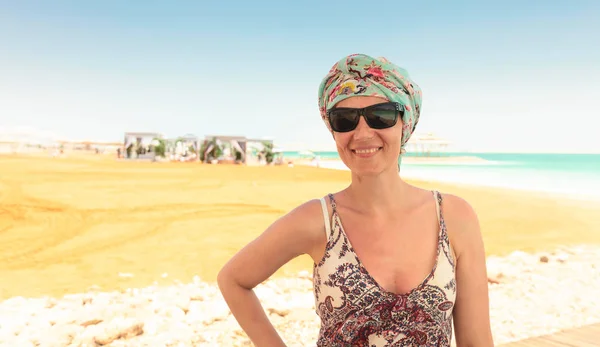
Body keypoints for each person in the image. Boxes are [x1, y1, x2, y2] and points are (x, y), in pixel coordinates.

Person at [217, 54, 494, 347]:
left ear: (405, 123)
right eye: (345, 120)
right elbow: (233, 280)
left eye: (381, 115)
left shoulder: (454, 217)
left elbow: (476, 340)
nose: (362, 133)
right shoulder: (319, 220)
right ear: (333, 130)